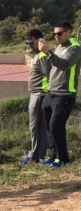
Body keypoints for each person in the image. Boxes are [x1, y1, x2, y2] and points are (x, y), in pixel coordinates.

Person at [38, 22, 81, 167]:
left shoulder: (75, 48)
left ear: (69, 32)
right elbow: (51, 67)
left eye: (60, 33)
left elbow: (65, 64)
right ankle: (53, 155)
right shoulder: (58, 47)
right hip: (51, 92)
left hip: (65, 94)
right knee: (50, 127)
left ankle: (63, 158)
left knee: (56, 125)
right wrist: (45, 53)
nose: (57, 36)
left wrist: (48, 52)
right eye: (55, 34)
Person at [21, 29, 51, 165]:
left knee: (36, 127)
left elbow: (49, 74)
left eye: (30, 41)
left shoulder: (43, 56)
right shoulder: (38, 56)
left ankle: (34, 156)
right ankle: (37, 152)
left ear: (39, 41)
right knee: (39, 126)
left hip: (40, 95)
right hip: (37, 94)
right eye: (26, 42)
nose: (28, 44)